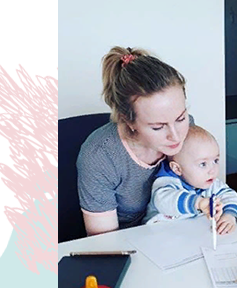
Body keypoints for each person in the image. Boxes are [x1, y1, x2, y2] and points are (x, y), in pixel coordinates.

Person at [76, 46, 192, 236]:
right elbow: (104, 243)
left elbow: (206, 187)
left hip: (177, 233)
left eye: (180, 118)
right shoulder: (99, 156)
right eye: (158, 127)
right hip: (128, 243)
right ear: (128, 121)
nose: (176, 135)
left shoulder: (190, 130)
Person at [142, 125, 237, 234]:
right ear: (177, 169)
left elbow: (229, 195)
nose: (212, 170)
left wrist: (230, 215)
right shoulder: (166, 182)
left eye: (215, 161)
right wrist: (198, 203)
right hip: (158, 235)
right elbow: (163, 201)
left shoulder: (210, 182)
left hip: (189, 234)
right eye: (203, 164)